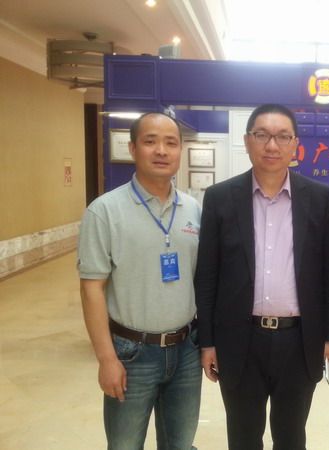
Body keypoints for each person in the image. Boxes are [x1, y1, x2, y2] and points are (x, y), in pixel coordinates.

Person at [195, 103, 329, 450]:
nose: (272, 145)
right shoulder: (220, 198)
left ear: (295, 145)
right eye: (262, 135)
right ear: (248, 141)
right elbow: (207, 275)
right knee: (243, 438)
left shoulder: (319, 198)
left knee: (291, 438)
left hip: (299, 341)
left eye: (282, 137)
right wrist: (208, 342)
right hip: (239, 340)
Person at [78, 112, 202, 450]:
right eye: (150, 141)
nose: (161, 150)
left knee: (180, 444)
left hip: (186, 350)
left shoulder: (193, 209)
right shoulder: (104, 211)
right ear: (132, 148)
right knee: (125, 445)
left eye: (171, 143)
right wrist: (107, 359)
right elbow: (91, 289)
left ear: (180, 151)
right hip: (131, 354)